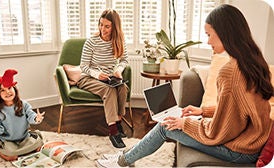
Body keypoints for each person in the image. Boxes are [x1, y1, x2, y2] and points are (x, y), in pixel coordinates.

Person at [96, 4, 274, 167]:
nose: (208, 41)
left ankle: (121, 162)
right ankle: (126, 156)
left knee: (166, 126)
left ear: (224, 33)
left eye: (209, 35)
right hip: (254, 142)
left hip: (240, 150)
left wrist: (185, 124)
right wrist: (202, 112)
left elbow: (220, 131)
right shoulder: (253, 61)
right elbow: (238, 111)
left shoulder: (230, 71)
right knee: (172, 123)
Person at [76, 9, 129, 148]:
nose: (102, 29)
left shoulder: (119, 41)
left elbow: (124, 60)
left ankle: (118, 121)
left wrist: (118, 70)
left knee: (123, 88)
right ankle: (113, 132)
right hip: (88, 78)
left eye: (107, 26)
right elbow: (83, 66)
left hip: (108, 77)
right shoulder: (91, 42)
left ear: (115, 27)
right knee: (109, 91)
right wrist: (97, 75)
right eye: (100, 24)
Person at [0, 64, 45, 161]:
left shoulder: (23, 104)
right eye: (3, 90)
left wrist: (36, 118)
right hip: (9, 140)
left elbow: (31, 115)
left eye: (9, 88)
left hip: (24, 137)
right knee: (12, 156)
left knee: (38, 146)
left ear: (14, 88)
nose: (7, 92)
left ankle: (30, 142)